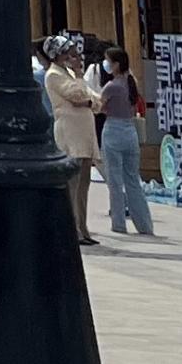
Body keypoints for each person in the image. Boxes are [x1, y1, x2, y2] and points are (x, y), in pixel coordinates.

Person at [43, 37, 103, 245]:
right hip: (70, 134)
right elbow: (77, 94)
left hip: (84, 135)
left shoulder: (68, 75)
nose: (73, 57)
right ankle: (72, 229)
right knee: (72, 184)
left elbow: (94, 99)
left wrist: (88, 101)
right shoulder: (53, 75)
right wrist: (79, 79)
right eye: (69, 52)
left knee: (83, 185)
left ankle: (82, 228)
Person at [96, 45, 155, 238]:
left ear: (116, 64)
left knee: (115, 180)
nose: (106, 65)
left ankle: (119, 222)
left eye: (108, 61)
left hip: (113, 129)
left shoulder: (111, 86)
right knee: (132, 180)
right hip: (130, 131)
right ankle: (144, 224)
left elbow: (99, 106)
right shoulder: (131, 83)